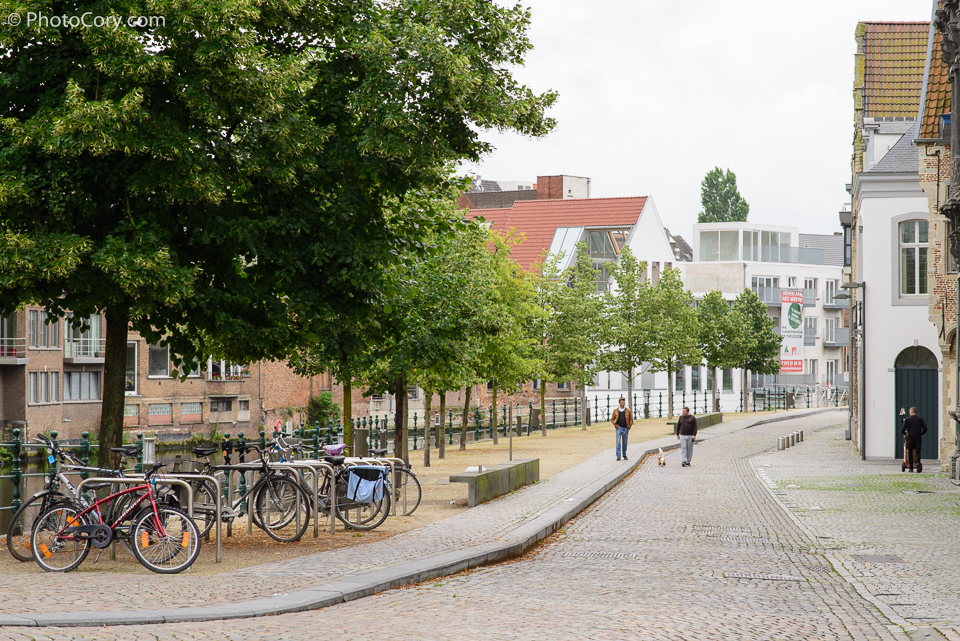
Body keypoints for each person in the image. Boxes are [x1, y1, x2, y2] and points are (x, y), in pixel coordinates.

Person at [902, 406, 927, 472]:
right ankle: (918, 464)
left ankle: (911, 468)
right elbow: (925, 428)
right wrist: (921, 433)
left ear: (911, 411)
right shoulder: (920, 419)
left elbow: (903, 429)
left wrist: (905, 434)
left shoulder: (907, 420)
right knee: (918, 452)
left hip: (910, 437)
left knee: (910, 452)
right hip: (918, 437)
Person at [611, 397, 633, 461]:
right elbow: (612, 419)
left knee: (625, 442)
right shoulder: (615, 411)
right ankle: (618, 455)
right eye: (622, 402)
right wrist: (615, 424)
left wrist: (629, 426)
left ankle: (624, 454)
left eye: (624, 402)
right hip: (619, 427)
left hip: (625, 427)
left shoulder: (628, 410)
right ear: (619, 403)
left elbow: (631, 419)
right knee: (618, 441)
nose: (623, 403)